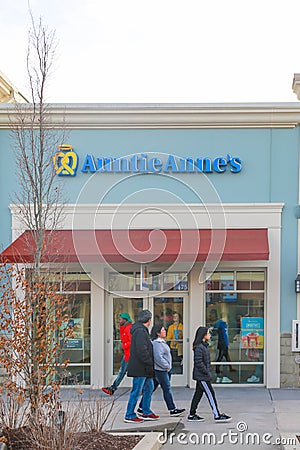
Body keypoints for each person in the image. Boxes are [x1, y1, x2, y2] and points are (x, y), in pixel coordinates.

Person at [137, 323, 185, 417]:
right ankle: (172, 409)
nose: (165, 331)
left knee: (152, 388)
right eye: (163, 330)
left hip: (162, 370)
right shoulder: (157, 343)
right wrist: (166, 366)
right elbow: (158, 357)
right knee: (166, 388)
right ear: (158, 333)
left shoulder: (161, 342)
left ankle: (141, 407)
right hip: (161, 370)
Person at [188, 326, 232, 423]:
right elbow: (198, 362)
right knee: (210, 394)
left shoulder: (203, 346)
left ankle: (192, 414)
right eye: (208, 333)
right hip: (202, 376)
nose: (210, 335)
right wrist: (207, 372)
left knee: (198, 395)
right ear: (203, 335)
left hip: (202, 375)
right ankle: (217, 415)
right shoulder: (199, 347)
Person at [124, 309, 159, 423]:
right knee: (137, 390)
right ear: (148, 320)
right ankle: (129, 414)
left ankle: (146, 411)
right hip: (140, 367)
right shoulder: (140, 331)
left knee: (149, 387)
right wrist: (149, 361)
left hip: (145, 368)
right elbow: (141, 350)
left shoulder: (141, 330)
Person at [102, 312, 133, 395]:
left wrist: (124, 345)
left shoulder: (128, 328)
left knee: (122, 372)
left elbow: (132, 341)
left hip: (129, 354)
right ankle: (113, 388)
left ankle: (112, 388)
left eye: (120, 319)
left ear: (124, 320)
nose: (118, 321)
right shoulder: (125, 328)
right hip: (128, 354)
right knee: (125, 372)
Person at [214, 318, 234, 383]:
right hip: (223, 344)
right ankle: (222, 376)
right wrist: (226, 343)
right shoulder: (223, 326)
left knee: (224, 357)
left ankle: (220, 374)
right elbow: (225, 336)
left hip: (221, 344)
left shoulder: (219, 326)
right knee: (221, 358)